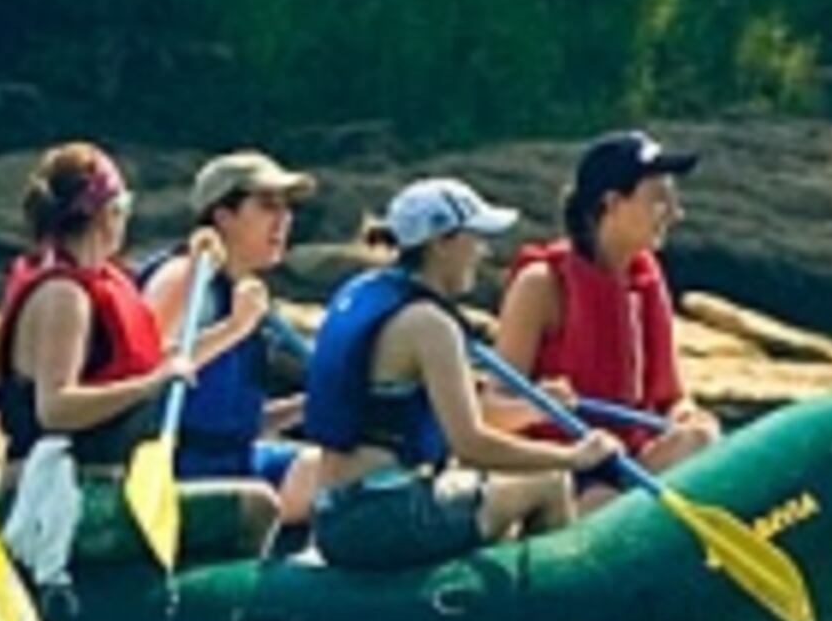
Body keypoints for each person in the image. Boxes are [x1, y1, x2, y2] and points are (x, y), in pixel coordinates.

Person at [299, 176, 614, 569]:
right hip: (382, 516)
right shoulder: (430, 326)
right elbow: (471, 443)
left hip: (334, 512)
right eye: (475, 238)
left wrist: (538, 409)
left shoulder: (364, 291)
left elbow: (458, 415)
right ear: (441, 242)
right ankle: (560, 609)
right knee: (548, 482)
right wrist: (574, 457)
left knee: (486, 484)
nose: (482, 252)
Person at [0, 143, 278, 561]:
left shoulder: (101, 279)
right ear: (104, 213)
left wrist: (234, 329)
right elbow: (54, 408)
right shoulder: (63, 294)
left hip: (95, 480)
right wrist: (151, 385)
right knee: (258, 507)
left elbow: (158, 362)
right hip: (49, 494)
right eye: (123, 205)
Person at [492, 128, 720, 470]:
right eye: (659, 199)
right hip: (560, 473)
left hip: (629, 465)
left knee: (700, 439)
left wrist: (685, 416)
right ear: (612, 204)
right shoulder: (541, 285)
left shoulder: (645, 280)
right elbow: (488, 413)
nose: (675, 214)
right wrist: (539, 406)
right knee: (602, 499)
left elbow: (672, 398)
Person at [141, 148, 320, 527]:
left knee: (323, 466)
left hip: (235, 461)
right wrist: (234, 329)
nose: (284, 220)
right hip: (179, 471)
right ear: (223, 216)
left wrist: (306, 405)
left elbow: (234, 423)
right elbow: (142, 373)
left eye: (287, 208)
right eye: (268, 205)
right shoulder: (186, 277)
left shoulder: (243, 292)